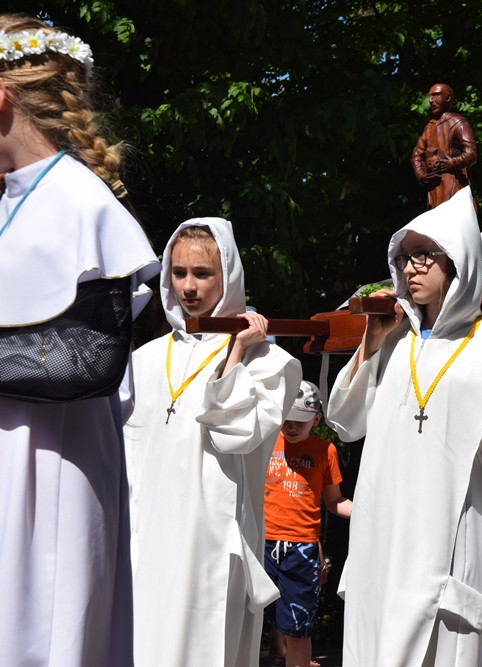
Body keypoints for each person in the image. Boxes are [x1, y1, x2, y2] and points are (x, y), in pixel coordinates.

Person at [326, 187, 482, 666]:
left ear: (460, 263)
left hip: (455, 541)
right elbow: (344, 423)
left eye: (425, 256)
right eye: (406, 257)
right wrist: (369, 344)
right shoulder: (391, 344)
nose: (411, 268)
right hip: (384, 540)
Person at [0, 15, 160, 666]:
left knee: (42, 629)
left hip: (48, 466)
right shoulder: (10, 200)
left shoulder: (77, 200)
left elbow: (86, 355)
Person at [124, 218, 302, 666]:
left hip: (211, 542)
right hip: (145, 541)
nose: (188, 286)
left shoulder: (268, 362)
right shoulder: (142, 360)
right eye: (179, 273)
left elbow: (235, 435)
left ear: (229, 277)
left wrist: (236, 351)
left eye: (202, 274)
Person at [263, 380, 352, 667]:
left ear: (316, 419)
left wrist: (372, 514)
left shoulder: (325, 450)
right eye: (286, 419)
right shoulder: (264, 441)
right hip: (261, 543)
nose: (290, 427)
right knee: (250, 622)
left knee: (298, 631)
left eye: (299, 422)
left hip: (301, 552)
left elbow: (334, 501)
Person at [411, 83, 477, 209]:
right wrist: (422, 174)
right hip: (434, 189)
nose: (430, 101)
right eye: (430, 97)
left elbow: (471, 153)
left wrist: (452, 163)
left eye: (435, 95)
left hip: (456, 186)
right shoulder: (428, 128)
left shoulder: (458, 122)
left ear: (448, 98)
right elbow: (416, 155)